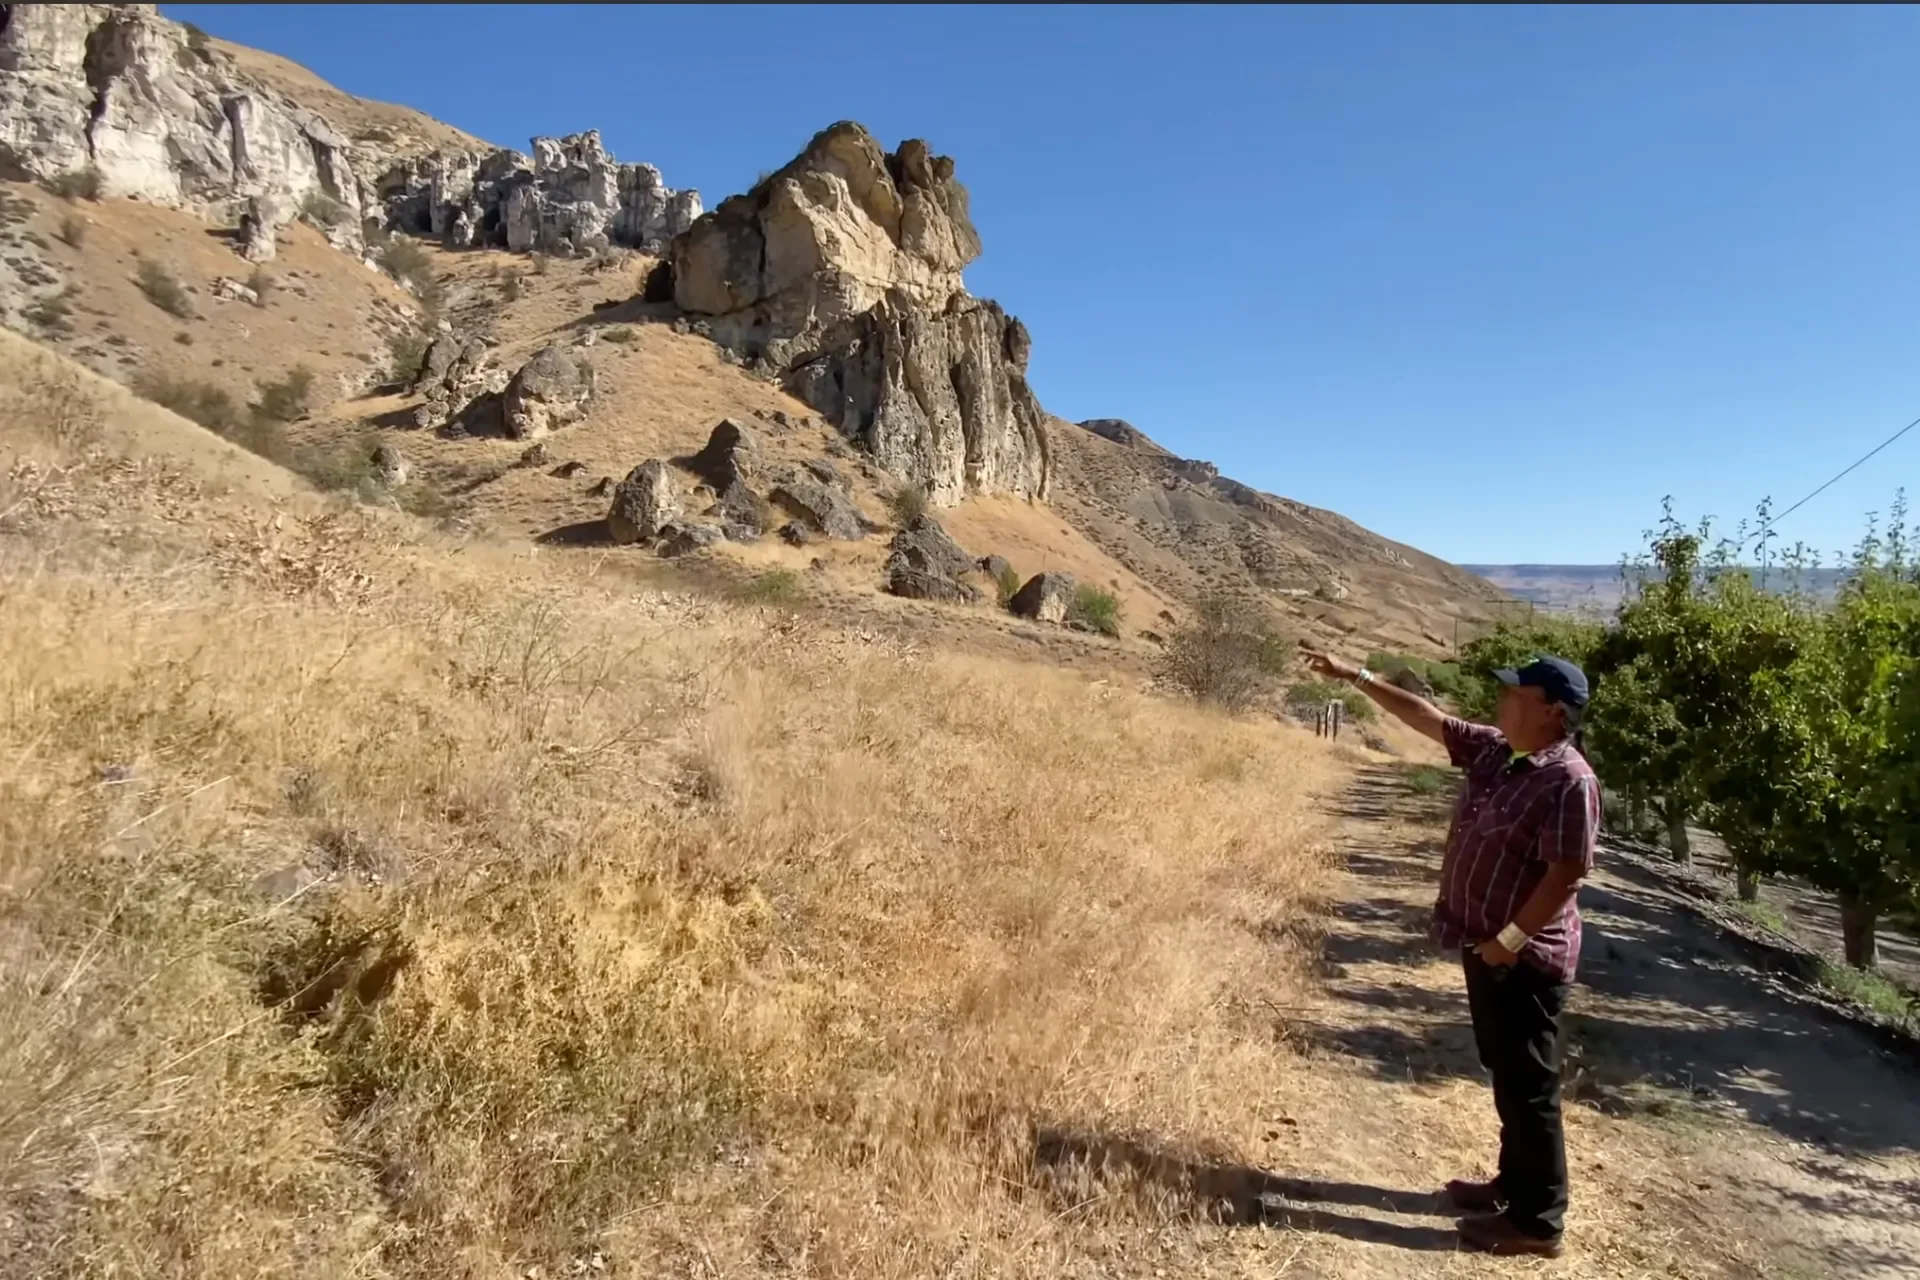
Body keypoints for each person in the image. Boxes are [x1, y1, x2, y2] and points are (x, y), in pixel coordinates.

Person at [1298, 646, 1600, 1259]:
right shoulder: (1496, 750)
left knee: (1529, 1086)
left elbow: (1565, 875)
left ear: (1551, 710)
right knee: (1506, 1072)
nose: (1502, 700)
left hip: (1524, 958)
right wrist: (1355, 675)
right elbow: (1426, 718)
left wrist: (1508, 942)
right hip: (1486, 949)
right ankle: (1512, 1186)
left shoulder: (1569, 780)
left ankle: (1539, 1223)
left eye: (1515, 693)